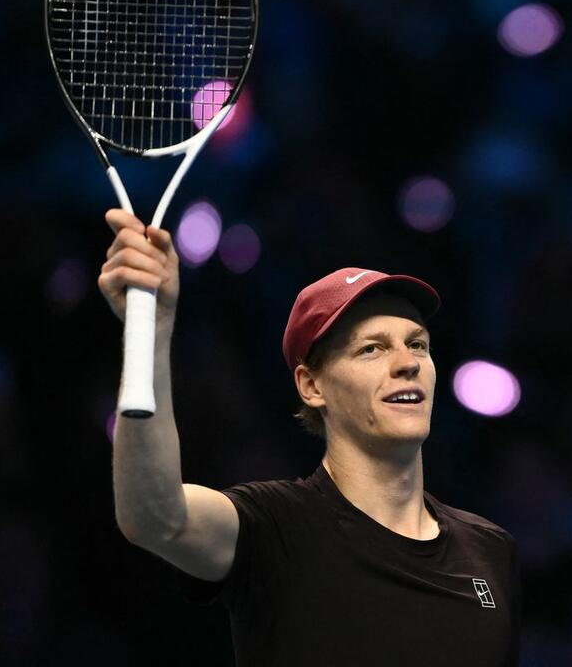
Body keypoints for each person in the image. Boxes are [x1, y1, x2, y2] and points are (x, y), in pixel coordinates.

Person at [99, 209, 521, 666]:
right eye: (372, 348)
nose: (407, 362)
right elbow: (154, 516)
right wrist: (151, 329)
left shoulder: (490, 549)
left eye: (417, 344)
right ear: (312, 385)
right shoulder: (275, 528)